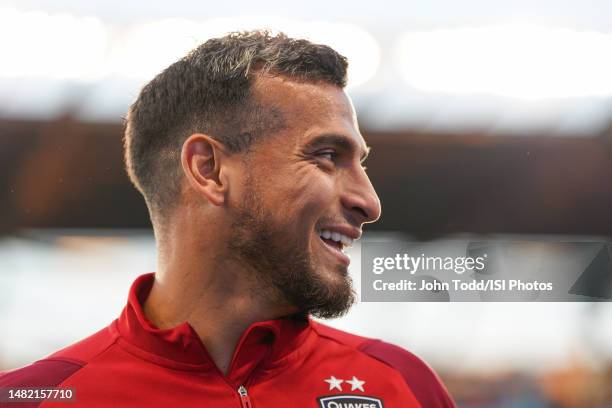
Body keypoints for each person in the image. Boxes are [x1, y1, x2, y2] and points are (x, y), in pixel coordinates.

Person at [0, 31, 456, 407]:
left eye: (360, 163)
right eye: (327, 156)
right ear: (209, 169)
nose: (369, 202)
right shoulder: (31, 399)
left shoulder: (403, 387)